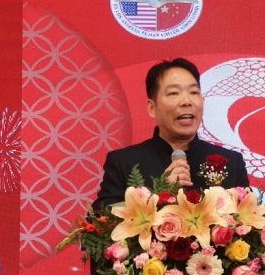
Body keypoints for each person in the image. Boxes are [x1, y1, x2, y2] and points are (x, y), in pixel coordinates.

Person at [92, 58, 249, 210]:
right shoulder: (123, 162)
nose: (186, 101)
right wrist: (161, 193)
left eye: (193, 92)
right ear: (152, 108)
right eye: (174, 93)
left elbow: (248, 221)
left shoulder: (231, 163)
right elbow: (100, 219)